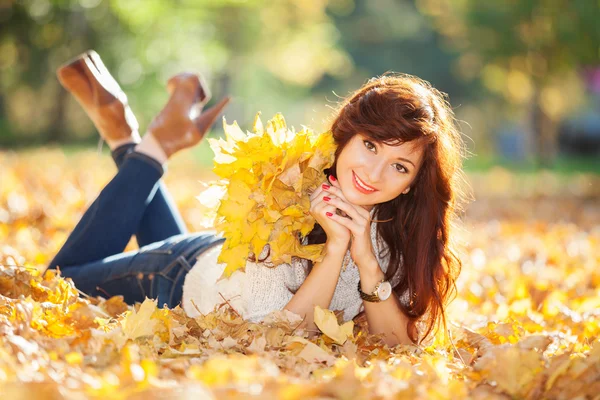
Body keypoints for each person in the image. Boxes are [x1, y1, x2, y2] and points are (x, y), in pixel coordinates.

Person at [48, 50, 467, 347]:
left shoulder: (402, 236)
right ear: (345, 138)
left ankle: (127, 138)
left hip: (218, 278)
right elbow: (276, 333)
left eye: (400, 166)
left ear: (412, 182)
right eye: (371, 146)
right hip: (178, 279)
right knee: (54, 280)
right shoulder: (282, 196)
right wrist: (333, 249)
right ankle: (154, 144)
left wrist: (365, 260)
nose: (374, 173)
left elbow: (396, 345)